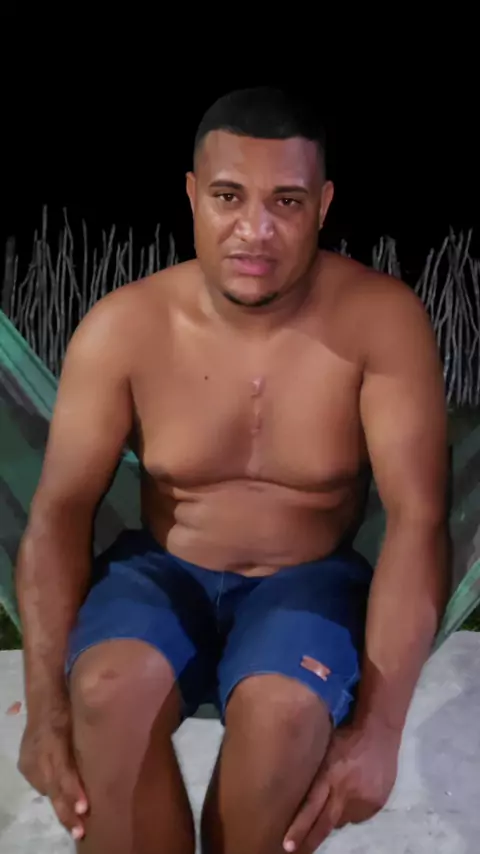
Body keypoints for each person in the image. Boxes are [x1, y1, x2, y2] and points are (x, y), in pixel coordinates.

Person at [15, 87, 449, 854]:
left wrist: (380, 733)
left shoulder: (380, 321)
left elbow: (419, 519)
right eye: (228, 196)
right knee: (105, 698)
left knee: (285, 716)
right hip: (163, 570)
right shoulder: (125, 327)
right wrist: (44, 712)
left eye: (287, 201)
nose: (255, 229)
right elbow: (58, 511)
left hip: (308, 577)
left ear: (323, 205)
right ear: (192, 195)